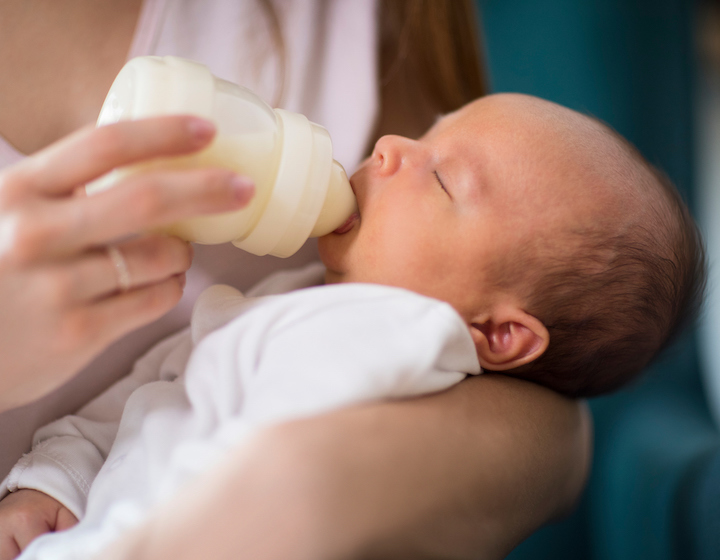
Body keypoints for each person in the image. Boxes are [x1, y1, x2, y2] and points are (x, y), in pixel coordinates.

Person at [0, 2, 592, 559]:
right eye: (424, 135)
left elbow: (544, 428)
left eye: (441, 179)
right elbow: (136, 406)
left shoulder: (417, 338)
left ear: (500, 334)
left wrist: (296, 492)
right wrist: (55, 482)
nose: (388, 147)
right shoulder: (270, 306)